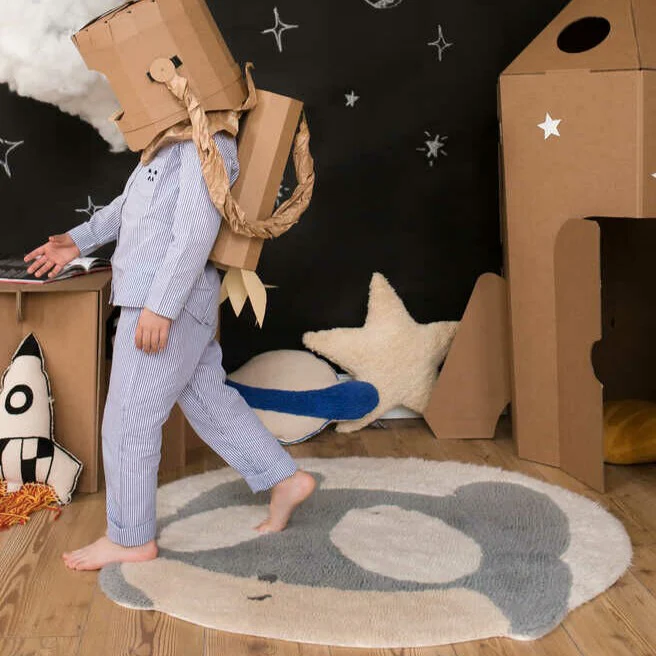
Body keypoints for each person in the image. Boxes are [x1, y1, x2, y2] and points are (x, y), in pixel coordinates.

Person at [24, 131, 316, 571]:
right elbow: (131, 206)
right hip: (170, 303)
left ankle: (130, 538)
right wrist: (78, 240)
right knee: (209, 402)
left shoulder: (206, 143)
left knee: (128, 422)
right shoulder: (170, 141)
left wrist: (160, 307)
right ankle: (284, 478)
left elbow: (196, 231)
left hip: (162, 303)